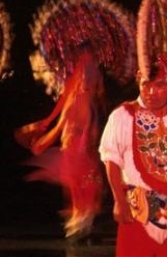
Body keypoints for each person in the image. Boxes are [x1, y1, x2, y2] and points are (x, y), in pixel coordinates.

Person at [99, 51, 167, 256]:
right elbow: (111, 160)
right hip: (138, 212)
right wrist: (119, 200)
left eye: (159, 85)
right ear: (138, 81)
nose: (152, 92)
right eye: (146, 84)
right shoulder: (122, 116)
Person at [15, 47, 104, 238]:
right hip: (74, 120)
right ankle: (79, 214)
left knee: (79, 169)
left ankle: (83, 214)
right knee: (70, 169)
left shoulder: (89, 74)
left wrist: (88, 131)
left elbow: (92, 96)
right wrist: (49, 123)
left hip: (82, 119)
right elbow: (66, 98)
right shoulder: (75, 79)